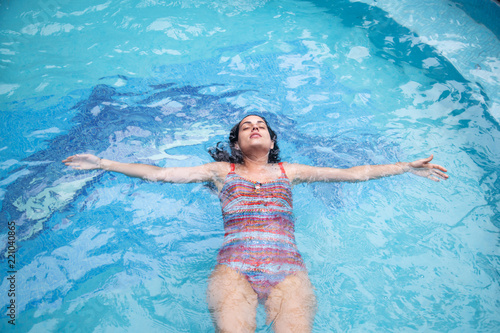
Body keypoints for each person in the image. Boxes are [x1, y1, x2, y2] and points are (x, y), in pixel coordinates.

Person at [62, 115, 448, 332]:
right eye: (245, 126)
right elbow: (160, 175)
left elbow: (352, 173)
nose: (254, 127)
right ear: (236, 143)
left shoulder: (290, 171)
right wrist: (104, 163)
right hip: (234, 270)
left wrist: (405, 167)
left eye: (259, 124)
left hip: (288, 271)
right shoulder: (219, 172)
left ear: (272, 138)